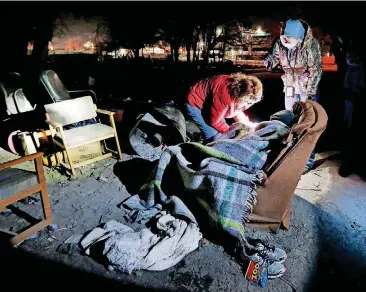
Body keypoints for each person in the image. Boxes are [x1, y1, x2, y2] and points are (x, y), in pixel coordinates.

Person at [264, 19, 322, 173]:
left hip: (306, 87)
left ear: (300, 38)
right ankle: (290, 153)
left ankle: (307, 160)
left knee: (308, 123)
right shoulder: (281, 42)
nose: (288, 43)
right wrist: (269, 61)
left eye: (292, 40)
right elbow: (274, 59)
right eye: (286, 39)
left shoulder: (311, 44)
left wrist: (310, 94)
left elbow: (316, 70)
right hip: (289, 85)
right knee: (290, 120)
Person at [186, 73, 263, 144]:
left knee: (220, 131)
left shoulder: (238, 87)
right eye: (249, 102)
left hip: (209, 99)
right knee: (214, 136)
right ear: (241, 97)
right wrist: (233, 132)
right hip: (195, 102)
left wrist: (245, 123)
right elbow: (215, 122)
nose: (249, 105)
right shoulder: (224, 95)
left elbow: (237, 110)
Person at [339, 37, 365, 177]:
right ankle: (349, 163)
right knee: (351, 129)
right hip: (353, 94)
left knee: (352, 129)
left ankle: (349, 163)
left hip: (354, 93)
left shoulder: (353, 52)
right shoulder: (353, 52)